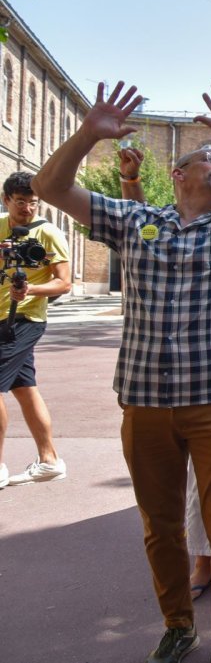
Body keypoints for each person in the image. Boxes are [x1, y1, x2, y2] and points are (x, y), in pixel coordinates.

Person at [33, 80, 211, 663]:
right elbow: (48, 186)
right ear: (179, 174)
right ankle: (178, 625)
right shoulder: (137, 221)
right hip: (145, 403)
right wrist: (89, 133)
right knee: (161, 528)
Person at [0, 172, 71, 488]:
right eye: (21, 202)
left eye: (33, 202)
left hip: (25, 321)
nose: (28, 208)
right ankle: (50, 460)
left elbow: (64, 282)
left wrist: (30, 290)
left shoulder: (48, 233)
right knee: (24, 389)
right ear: (6, 200)